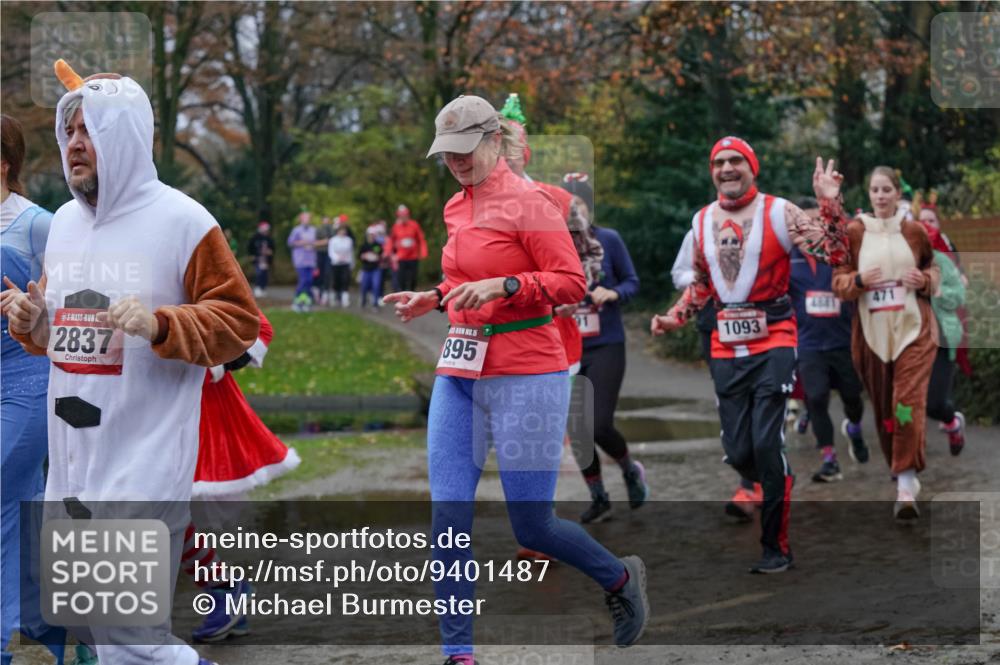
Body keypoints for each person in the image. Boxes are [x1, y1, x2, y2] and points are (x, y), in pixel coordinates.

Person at [6, 60, 258, 665]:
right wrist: (33, 323)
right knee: (96, 634)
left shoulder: (184, 221)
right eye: (68, 133)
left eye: (88, 130)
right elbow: (61, 333)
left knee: (130, 637)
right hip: (70, 465)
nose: (73, 145)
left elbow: (239, 323)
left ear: (122, 135)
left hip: (144, 459)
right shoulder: (64, 224)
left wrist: (163, 323)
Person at [385, 95, 648, 664]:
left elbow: (570, 283)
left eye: (463, 150)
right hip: (460, 370)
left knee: (533, 525)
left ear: (493, 141)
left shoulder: (532, 203)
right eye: (445, 153)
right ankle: (459, 654)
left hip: (528, 370)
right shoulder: (456, 207)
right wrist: (432, 297)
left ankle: (621, 580)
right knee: (446, 519)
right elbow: (465, 279)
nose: (454, 161)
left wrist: (507, 287)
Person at [651, 138, 850, 573]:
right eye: (718, 162)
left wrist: (830, 205)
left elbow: (837, 253)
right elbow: (703, 282)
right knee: (740, 451)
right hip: (725, 343)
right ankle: (772, 480)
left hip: (775, 336)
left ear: (751, 167)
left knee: (765, 443)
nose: (726, 168)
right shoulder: (702, 220)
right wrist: (674, 317)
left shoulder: (781, 212)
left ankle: (775, 547)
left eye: (735, 160)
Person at [827, 165, 940, 520]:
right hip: (872, 335)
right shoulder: (855, 232)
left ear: (897, 193)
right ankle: (902, 468)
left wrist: (922, 279)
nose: (880, 196)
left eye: (886, 190)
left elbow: (937, 273)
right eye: (875, 190)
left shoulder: (915, 231)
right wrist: (858, 280)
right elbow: (839, 282)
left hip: (913, 330)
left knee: (906, 403)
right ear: (869, 194)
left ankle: (905, 484)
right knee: (887, 411)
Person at [0, 114, 67, 665]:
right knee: (27, 506)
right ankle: (67, 631)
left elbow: (76, 300)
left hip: (28, 380)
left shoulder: (38, 225)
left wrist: (35, 310)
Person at [561, 172, 647, 524]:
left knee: (596, 425)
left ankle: (629, 469)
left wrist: (612, 293)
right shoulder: (550, 244)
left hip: (605, 344)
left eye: (578, 204)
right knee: (576, 430)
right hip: (565, 348)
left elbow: (632, 282)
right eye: (565, 204)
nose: (572, 211)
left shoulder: (609, 240)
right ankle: (599, 497)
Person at [788, 197, 869, 482]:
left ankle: (855, 429)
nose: (812, 227)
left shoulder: (840, 254)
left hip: (843, 341)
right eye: (805, 222)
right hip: (809, 344)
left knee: (852, 398)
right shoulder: (789, 258)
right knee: (816, 399)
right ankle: (829, 459)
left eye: (817, 221)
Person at [916, 213, 967, 454]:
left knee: (934, 404)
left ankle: (952, 422)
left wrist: (938, 291)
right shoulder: (903, 265)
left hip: (941, 340)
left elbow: (959, 295)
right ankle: (907, 457)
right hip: (909, 342)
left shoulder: (942, 262)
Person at [387, 204, 427, 292]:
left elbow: (421, 238)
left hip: (413, 256)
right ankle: (403, 296)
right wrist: (389, 254)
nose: (403, 217)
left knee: (413, 278)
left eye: (405, 215)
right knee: (401, 279)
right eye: (401, 215)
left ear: (408, 215)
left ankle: (412, 293)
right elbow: (391, 240)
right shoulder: (396, 227)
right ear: (399, 216)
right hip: (401, 257)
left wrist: (423, 252)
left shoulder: (414, 225)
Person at [288, 210, 317, 312]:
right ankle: (297, 302)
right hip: (300, 260)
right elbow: (290, 243)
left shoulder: (313, 230)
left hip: (311, 260)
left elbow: (315, 243)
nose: (307, 220)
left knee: (309, 281)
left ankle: (306, 302)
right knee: (303, 281)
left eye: (309, 218)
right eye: (305, 218)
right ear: (301, 219)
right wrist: (302, 243)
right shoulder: (296, 230)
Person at [328, 223, 354, 307]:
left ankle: (345, 299)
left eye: (344, 230)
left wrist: (351, 262)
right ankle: (335, 297)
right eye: (341, 230)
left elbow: (350, 252)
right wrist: (337, 258)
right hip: (336, 264)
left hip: (345, 263)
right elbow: (331, 252)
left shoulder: (348, 240)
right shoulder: (333, 240)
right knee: (336, 281)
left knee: (345, 280)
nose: (343, 232)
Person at [358, 225, 385, 308]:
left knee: (376, 285)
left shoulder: (377, 245)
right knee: (364, 286)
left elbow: (380, 255)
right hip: (366, 269)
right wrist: (364, 256)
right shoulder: (364, 245)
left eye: (373, 235)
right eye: (370, 235)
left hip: (375, 269)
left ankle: (375, 304)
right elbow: (359, 256)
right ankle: (363, 301)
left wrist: (377, 257)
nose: (371, 236)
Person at [246, 221, 275, 297]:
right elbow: (250, 247)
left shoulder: (269, 239)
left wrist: (270, 252)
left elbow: (273, 248)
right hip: (257, 259)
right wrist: (251, 255)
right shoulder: (255, 237)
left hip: (266, 260)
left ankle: (263, 288)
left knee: (265, 274)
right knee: (259, 273)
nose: (266, 231)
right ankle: (258, 288)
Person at [313, 215, 335, 306]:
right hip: (319, 254)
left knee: (327, 274)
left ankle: (325, 294)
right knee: (319, 274)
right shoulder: (318, 230)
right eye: (325, 220)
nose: (326, 222)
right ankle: (317, 293)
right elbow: (314, 243)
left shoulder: (332, 230)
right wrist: (324, 242)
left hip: (329, 254)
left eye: (327, 220)